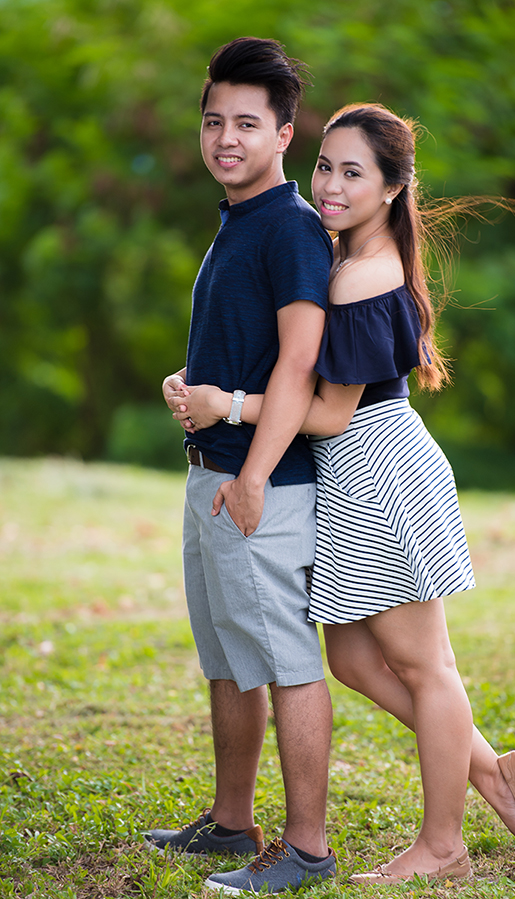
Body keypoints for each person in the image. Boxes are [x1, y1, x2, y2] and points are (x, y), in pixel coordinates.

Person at [172, 102, 515, 885]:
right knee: (351, 656)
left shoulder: (361, 274)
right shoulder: (349, 257)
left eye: (354, 172)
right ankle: (492, 771)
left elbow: (328, 411)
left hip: (379, 470)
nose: (332, 185)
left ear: (391, 188)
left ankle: (444, 841)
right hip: (349, 475)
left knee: (425, 665)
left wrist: (228, 405)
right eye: (326, 166)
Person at [144, 37, 337, 894]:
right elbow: (251, 355)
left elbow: (299, 363)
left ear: (285, 134)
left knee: (288, 662)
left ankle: (305, 849)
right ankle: (231, 825)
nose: (227, 137)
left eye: (248, 124)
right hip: (211, 471)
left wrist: (254, 473)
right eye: (215, 120)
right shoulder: (239, 222)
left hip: (261, 484)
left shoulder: (291, 228)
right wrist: (196, 389)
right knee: (228, 658)